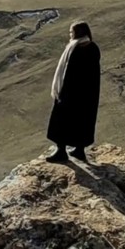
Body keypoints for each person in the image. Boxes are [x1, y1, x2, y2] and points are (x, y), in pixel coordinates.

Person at [46, 20, 101, 163]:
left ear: (77, 33)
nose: (70, 35)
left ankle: (61, 151)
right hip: (88, 95)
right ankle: (79, 150)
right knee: (83, 121)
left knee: (61, 121)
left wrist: (62, 94)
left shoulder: (74, 48)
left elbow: (68, 74)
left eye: (71, 32)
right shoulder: (93, 47)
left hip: (70, 94)